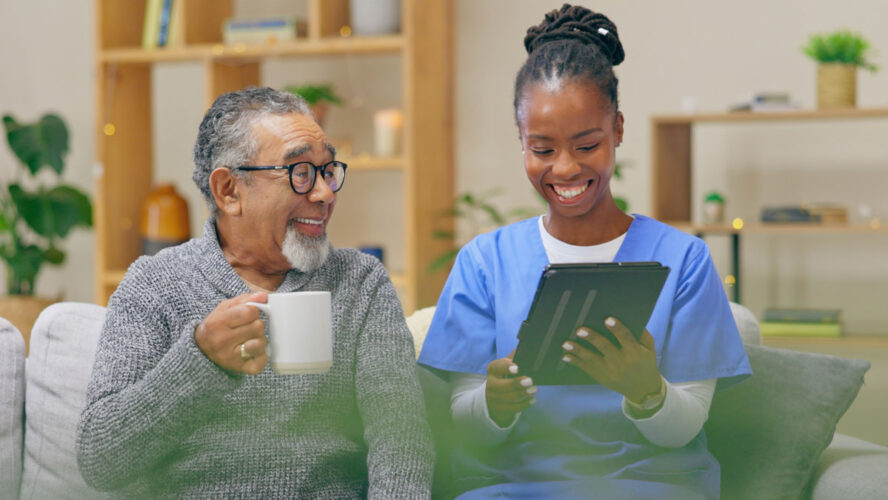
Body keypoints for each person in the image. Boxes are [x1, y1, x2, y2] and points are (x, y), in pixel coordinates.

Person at [418, 5, 751, 499]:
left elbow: (685, 427)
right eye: (542, 149)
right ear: (522, 143)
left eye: (587, 144)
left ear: (617, 129)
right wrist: (495, 402)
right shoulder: (485, 261)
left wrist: (647, 391)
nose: (565, 169)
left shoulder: (683, 259)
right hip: (515, 488)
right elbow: (465, 426)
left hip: (651, 487)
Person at [76, 87, 433, 498]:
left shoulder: (360, 282)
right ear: (229, 191)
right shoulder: (154, 284)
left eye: (327, 169)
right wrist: (200, 361)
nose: (325, 193)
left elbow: (402, 442)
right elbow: (99, 459)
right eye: (300, 173)